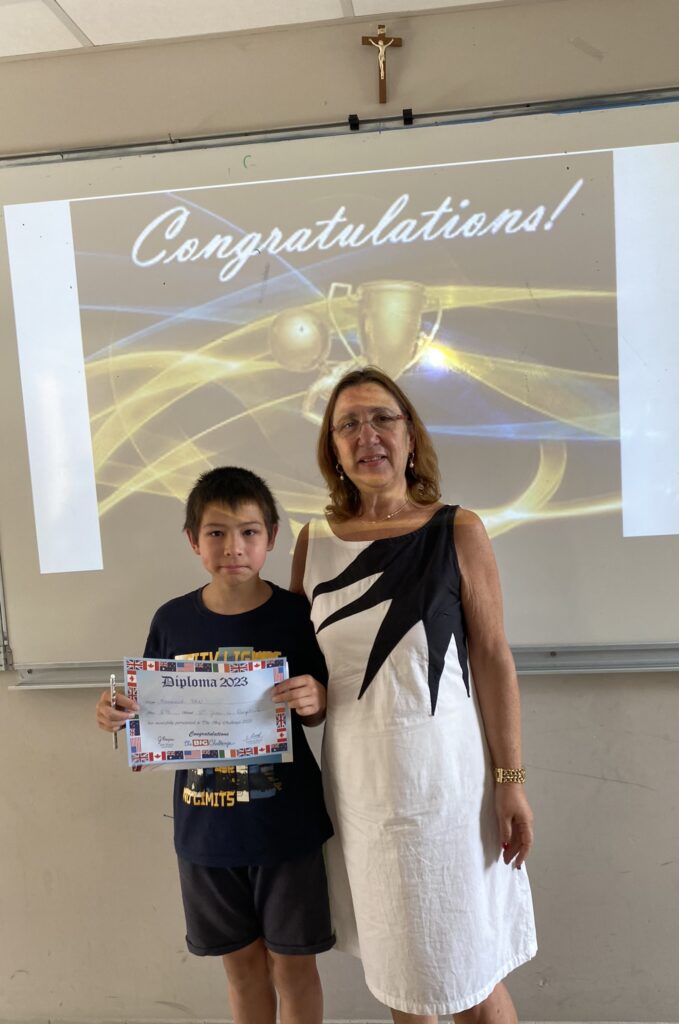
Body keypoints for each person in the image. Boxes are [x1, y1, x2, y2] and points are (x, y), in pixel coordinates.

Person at [290, 366, 537, 1023]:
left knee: (470, 979)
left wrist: (511, 781)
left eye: (382, 418)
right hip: (362, 795)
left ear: (409, 435)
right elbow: (306, 674)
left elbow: (493, 660)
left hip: (449, 790)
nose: (366, 435)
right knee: (404, 979)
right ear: (333, 448)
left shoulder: (458, 530)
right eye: (348, 424)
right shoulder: (313, 543)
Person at [96, 467, 334, 1024]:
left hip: (287, 828)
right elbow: (148, 710)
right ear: (193, 540)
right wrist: (116, 714)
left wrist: (315, 698)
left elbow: (320, 710)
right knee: (242, 970)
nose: (234, 547)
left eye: (249, 532)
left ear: (271, 537)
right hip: (205, 831)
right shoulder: (172, 620)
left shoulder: (297, 616)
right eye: (216, 533)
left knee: (294, 969)